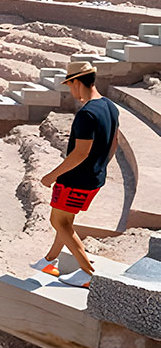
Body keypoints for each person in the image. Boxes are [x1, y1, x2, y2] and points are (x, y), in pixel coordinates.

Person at [35, 63, 119, 288]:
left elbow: (80, 153)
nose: (70, 90)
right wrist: (99, 166)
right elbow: (114, 143)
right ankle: (49, 261)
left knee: (58, 221)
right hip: (93, 178)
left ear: (77, 82)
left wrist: (51, 176)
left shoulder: (86, 114)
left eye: (69, 84)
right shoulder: (110, 107)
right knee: (66, 221)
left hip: (75, 180)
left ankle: (88, 272)